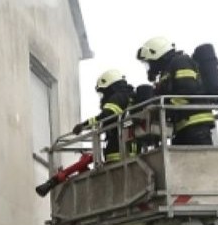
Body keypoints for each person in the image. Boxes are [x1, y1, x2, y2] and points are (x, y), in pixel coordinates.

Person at [36, 69, 140, 197]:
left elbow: (106, 116)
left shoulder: (117, 97)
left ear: (110, 87)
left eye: (103, 92)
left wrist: (83, 125)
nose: (102, 97)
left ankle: (55, 181)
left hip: (118, 149)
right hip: (129, 146)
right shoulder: (129, 97)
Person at [138, 37, 215, 146]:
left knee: (200, 162)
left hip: (195, 125)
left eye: (150, 61)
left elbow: (187, 91)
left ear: (157, 54)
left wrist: (161, 109)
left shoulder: (180, 61)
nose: (150, 65)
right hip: (183, 127)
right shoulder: (168, 70)